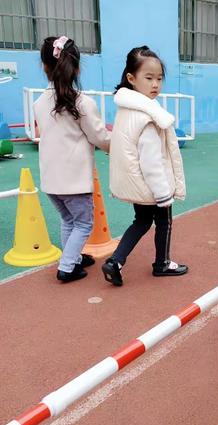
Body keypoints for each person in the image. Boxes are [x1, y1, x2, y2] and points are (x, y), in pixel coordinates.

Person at [102, 46, 187, 287]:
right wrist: (163, 194)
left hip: (135, 182)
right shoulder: (149, 116)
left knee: (140, 221)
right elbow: (152, 162)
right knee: (164, 222)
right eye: (148, 78)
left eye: (159, 78)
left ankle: (116, 261)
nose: (155, 84)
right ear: (131, 78)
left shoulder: (126, 109)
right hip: (152, 185)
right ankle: (162, 263)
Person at [34, 36, 110, 283]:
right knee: (83, 224)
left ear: (45, 67)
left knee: (68, 220)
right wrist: (118, 144)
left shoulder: (39, 103)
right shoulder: (81, 103)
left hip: (51, 181)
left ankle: (73, 257)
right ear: (76, 68)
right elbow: (100, 137)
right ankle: (67, 267)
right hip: (74, 181)